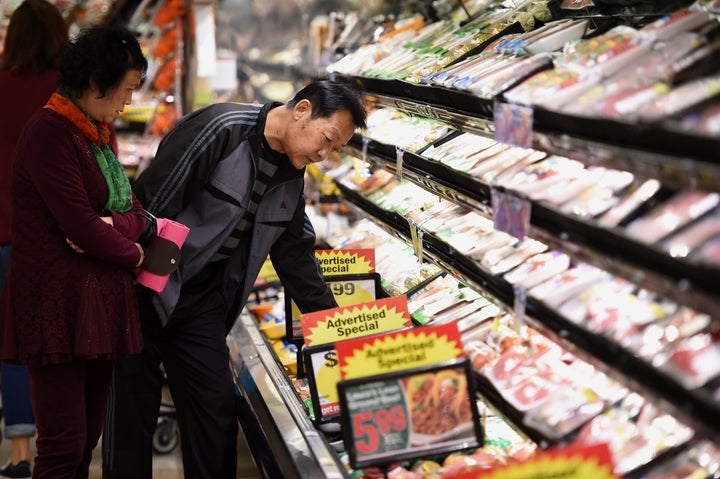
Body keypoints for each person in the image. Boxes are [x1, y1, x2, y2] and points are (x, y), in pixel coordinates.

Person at [103, 79, 367, 479]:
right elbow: (151, 205)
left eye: (335, 150)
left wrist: (341, 334)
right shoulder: (222, 128)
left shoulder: (292, 178)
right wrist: (134, 294)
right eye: (327, 139)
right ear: (302, 110)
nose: (325, 155)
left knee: (215, 412)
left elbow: (296, 259)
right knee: (130, 417)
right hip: (145, 290)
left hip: (201, 304)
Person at [0, 26, 148, 479]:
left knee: (86, 440)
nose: (127, 102)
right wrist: (138, 256)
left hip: (95, 304)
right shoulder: (50, 133)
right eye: (125, 89)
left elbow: (137, 212)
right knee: (63, 446)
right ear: (95, 82)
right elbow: (79, 224)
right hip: (55, 306)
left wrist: (118, 227)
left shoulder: (97, 134)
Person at [0, 1, 68, 478]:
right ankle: (54, 448)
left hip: (2, 236)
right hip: (59, 240)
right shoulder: (69, 93)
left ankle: (19, 454)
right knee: (50, 344)